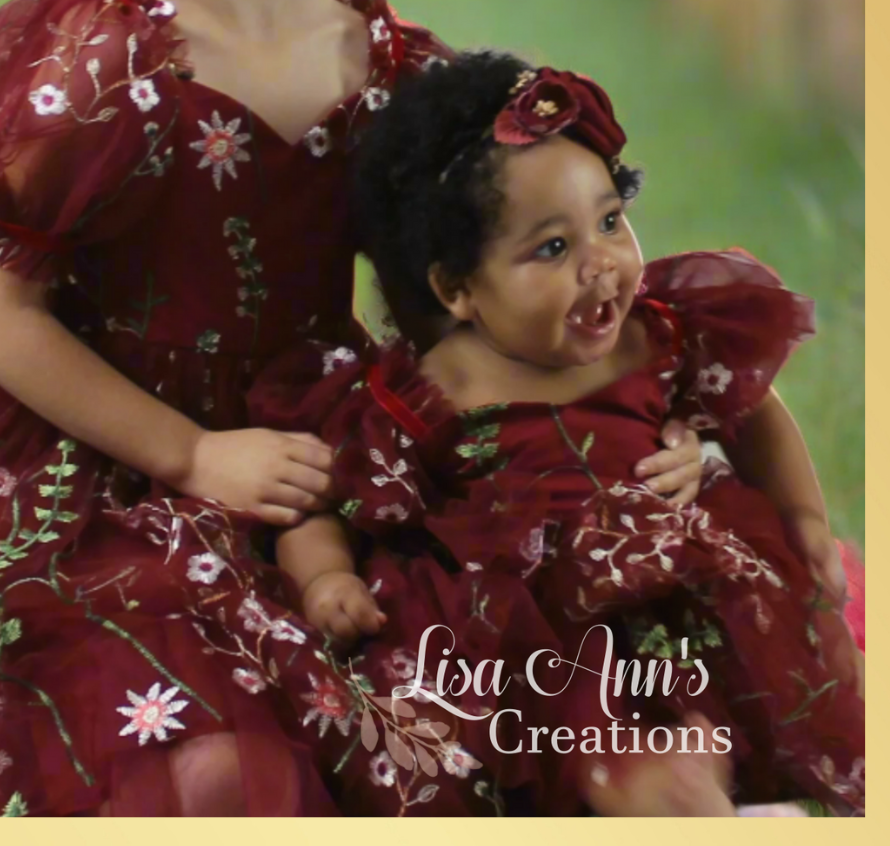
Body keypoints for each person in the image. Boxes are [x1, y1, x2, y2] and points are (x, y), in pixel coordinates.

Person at [0, 0, 705, 819]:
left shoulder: (388, 71)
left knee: (531, 703)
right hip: (110, 476)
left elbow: (493, 299)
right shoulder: (91, 64)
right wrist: (190, 458)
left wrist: (648, 423)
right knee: (221, 771)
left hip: (321, 465)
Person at [248, 51, 865, 816]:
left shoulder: (657, 333)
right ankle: (654, 788)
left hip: (675, 598)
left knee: (747, 680)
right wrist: (325, 579)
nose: (601, 265)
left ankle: (707, 773)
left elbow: (756, 412)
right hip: (526, 636)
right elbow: (324, 497)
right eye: (552, 248)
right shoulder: (433, 390)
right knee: (540, 727)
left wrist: (803, 518)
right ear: (458, 289)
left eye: (609, 221)